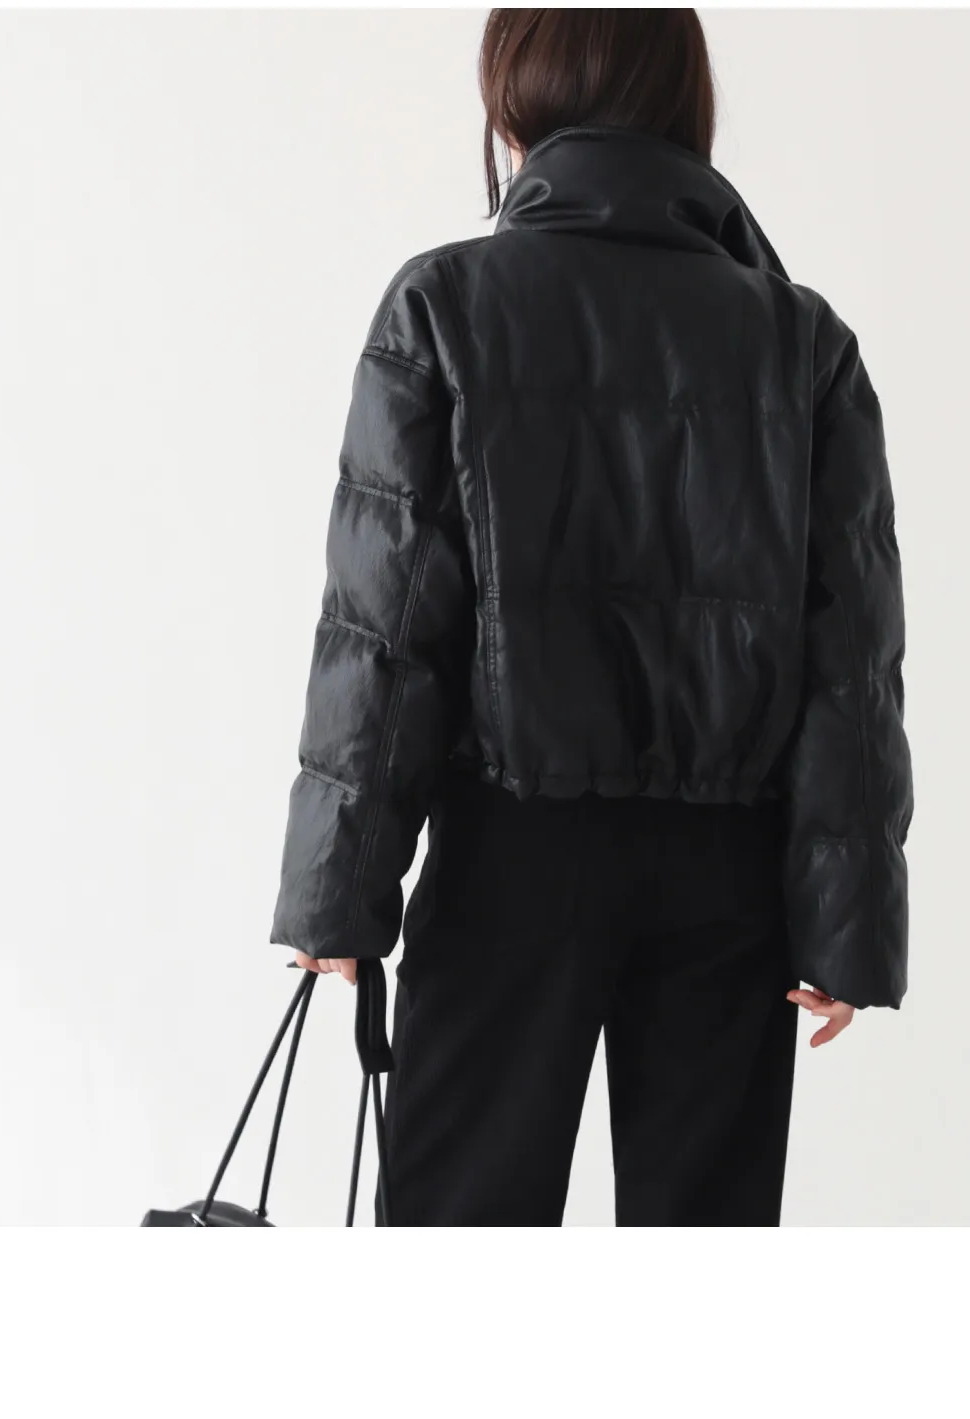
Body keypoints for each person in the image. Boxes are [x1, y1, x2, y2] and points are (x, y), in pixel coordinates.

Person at [270, 9, 912, 1226]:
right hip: (729, 882)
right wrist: (847, 928)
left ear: (515, 104)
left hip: (508, 863)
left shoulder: (446, 303)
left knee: (458, 1261)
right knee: (700, 1278)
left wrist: (337, 892)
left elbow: (386, 624)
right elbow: (852, 661)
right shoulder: (801, 340)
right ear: (683, 102)